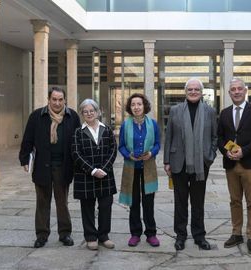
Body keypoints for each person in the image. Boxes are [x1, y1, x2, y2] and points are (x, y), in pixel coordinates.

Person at [19, 87, 80, 248]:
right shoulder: (37, 116)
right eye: (54, 99)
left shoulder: (72, 116)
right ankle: (42, 235)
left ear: (65, 100)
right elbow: (27, 140)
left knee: (62, 202)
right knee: (42, 202)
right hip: (42, 166)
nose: (57, 103)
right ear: (49, 100)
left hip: (63, 166)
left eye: (60, 99)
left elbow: (78, 141)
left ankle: (65, 234)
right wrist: (24, 158)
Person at [164, 78, 217, 251]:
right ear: (185, 92)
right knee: (180, 202)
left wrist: (210, 155)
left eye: (196, 89)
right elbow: (169, 136)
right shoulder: (175, 110)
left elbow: (214, 136)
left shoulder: (210, 111)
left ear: (202, 92)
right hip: (179, 163)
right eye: (190, 89)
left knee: (198, 202)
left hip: (201, 164)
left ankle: (199, 235)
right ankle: (180, 236)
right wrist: (166, 161)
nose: (193, 92)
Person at [217, 78, 251, 254]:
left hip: (250, 163)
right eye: (233, 89)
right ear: (229, 93)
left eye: (239, 89)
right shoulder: (224, 113)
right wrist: (227, 152)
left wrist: (244, 151)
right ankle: (236, 233)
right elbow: (220, 137)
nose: (236, 92)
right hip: (231, 164)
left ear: (245, 91)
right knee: (235, 201)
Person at [72, 99, 117, 250]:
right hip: (86, 176)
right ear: (82, 114)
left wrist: (104, 169)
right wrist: (92, 170)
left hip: (106, 175)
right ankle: (91, 237)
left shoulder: (107, 129)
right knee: (87, 207)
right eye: (85, 111)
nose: (89, 114)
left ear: (98, 112)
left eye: (92, 111)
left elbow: (113, 150)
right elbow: (76, 154)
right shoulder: (78, 132)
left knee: (106, 206)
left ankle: (104, 236)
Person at [118, 93, 161, 248]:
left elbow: (157, 144)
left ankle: (151, 234)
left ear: (144, 106)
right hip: (131, 168)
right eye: (133, 105)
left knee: (148, 202)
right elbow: (121, 146)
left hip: (148, 167)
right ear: (130, 107)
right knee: (134, 202)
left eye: (139, 104)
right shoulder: (125, 125)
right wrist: (128, 155)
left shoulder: (153, 124)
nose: (136, 107)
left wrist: (151, 153)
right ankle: (135, 234)